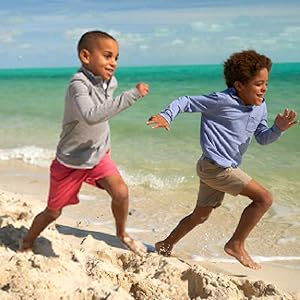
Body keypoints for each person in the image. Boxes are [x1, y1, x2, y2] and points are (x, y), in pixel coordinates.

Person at [146, 50, 298, 269]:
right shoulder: (221, 100)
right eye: (258, 84)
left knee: (200, 216)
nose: (264, 89)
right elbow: (186, 101)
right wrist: (166, 115)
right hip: (217, 169)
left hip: (212, 168)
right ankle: (236, 244)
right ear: (239, 85)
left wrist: (278, 128)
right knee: (264, 199)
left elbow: (263, 138)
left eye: (266, 83)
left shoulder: (260, 106)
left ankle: (165, 244)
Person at [20, 30, 149, 256]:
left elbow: (103, 112)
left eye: (116, 58)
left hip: (97, 154)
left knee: (121, 192)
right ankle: (27, 241)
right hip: (71, 160)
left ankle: (122, 234)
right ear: (85, 56)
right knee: (53, 212)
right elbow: (91, 114)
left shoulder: (110, 82)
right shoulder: (77, 84)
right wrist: (131, 96)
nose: (113, 63)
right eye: (108, 56)